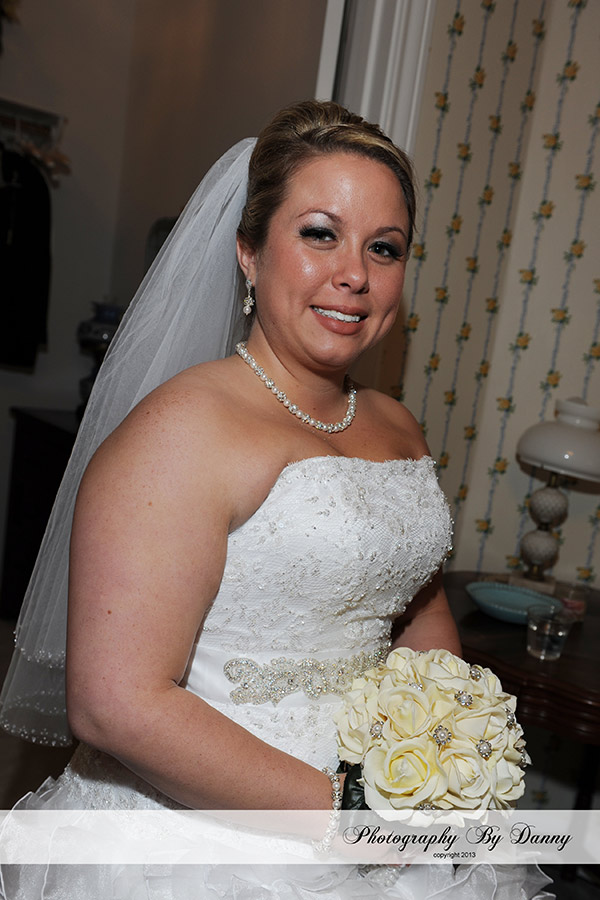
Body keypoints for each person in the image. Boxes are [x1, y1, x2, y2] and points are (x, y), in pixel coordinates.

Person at [0, 101, 553, 899]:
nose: (355, 274)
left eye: (384, 247)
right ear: (249, 253)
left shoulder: (397, 425)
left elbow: (417, 610)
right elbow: (116, 705)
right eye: (320, 234)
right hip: (200, 841)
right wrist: (344, 816)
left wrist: (444, 755)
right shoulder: (181, 430)